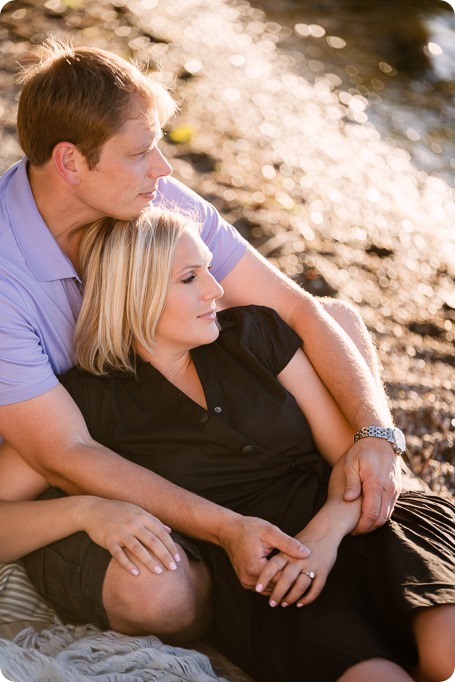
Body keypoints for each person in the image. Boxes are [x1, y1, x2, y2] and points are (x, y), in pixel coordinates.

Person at [0, 38, 404, 638]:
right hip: (46, 454)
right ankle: (248, 612)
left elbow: (297, 307)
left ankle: (358, 502)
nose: (162, 169)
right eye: (141, 152)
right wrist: (224, 528)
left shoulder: (151, 194)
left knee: (337, 321)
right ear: (70, 162)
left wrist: (376, 432)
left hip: (166, 421)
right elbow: (64, 453)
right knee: (158, 593)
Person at [28, 207, 454, 682]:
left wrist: (324, 538)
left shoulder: (254, 335)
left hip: (362, 526)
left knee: (445, 656)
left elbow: (348, 457)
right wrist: (83, 511)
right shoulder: (87, 404)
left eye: (209, 269)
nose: (216, 289)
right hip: (275, 587)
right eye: (191, 277)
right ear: (135, 293)